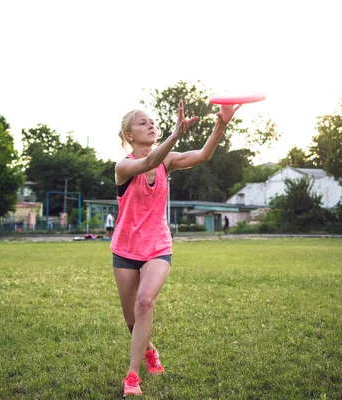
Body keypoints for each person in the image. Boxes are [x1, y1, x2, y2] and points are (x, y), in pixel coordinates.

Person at [111, 99, 241, 396]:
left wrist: (222, 122)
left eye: (152, 121)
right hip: (126, 248)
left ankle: (132, 376)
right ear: (129, 135)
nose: (151, 125)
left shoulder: (167, 162)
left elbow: (204, 155)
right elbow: (148, 163)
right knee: (132, 320)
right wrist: (175, 135)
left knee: (145, 303)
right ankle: (149, 349)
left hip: (158, 245)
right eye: (143, 123)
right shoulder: (124, 166)